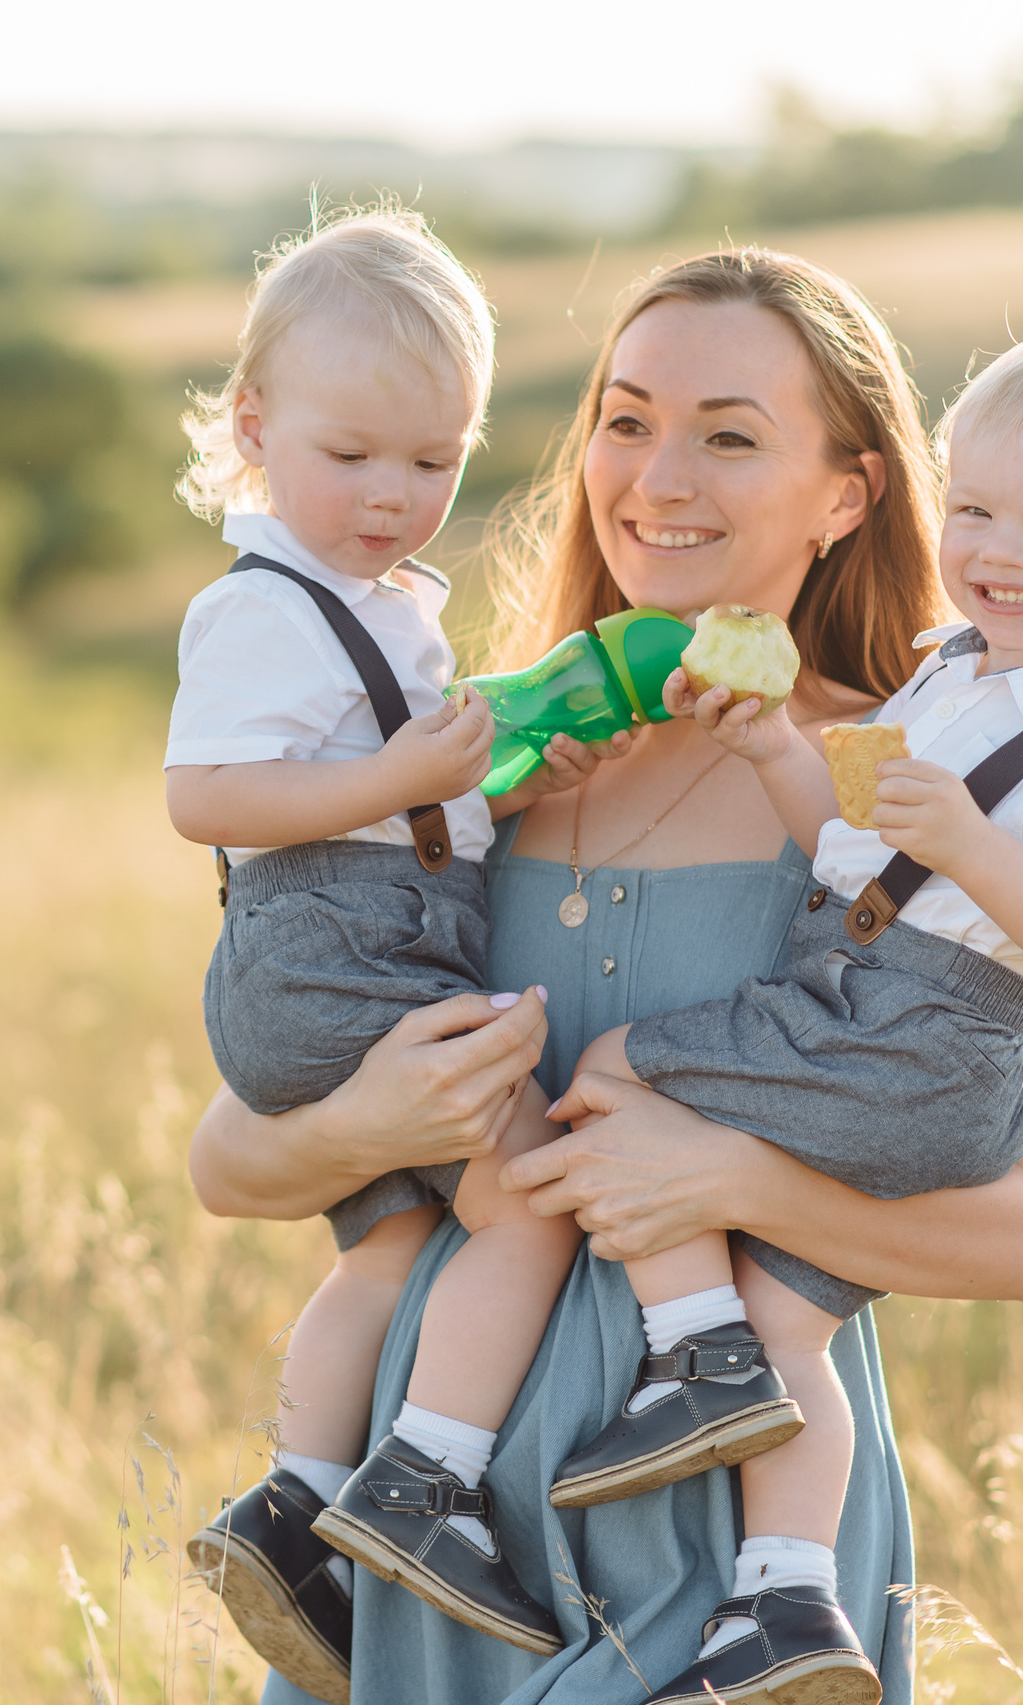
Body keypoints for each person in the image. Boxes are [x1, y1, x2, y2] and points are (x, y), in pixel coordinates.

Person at [188, 249, 1023, 1705]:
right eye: (624, 419)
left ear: (846, 492)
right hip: (427, 1523)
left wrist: (726, 1184)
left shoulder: (899, 783)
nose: (657, 477)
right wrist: (385, 1121)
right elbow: (229, 1156)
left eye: (730, 434)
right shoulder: (475, 754)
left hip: (736, 1560)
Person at [549, 316, 1023, 1703]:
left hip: (923, 1026)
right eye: (975, 506)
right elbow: (851, 848)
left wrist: (981, 849)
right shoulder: (952, 676)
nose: (1000, 548)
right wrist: (779, 754)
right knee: (800, 1327)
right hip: (880, 993)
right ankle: (786, 1605)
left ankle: (700, 1357)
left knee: (623, 1063)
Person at [167, 208, 621, 1700]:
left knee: (397, 1238)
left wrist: (494, 783)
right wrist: (398, 780)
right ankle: (424, 1485)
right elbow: (208, 797)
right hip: (338, 960)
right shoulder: (259, 608)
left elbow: (406, 795)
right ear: (253, 426)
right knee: (530, 1201)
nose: (392, 496)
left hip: (351, 950)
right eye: (352, 455)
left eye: (434, 463)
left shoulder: (368, 608)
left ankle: (295, 1505)